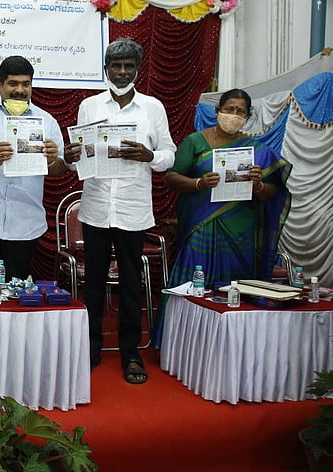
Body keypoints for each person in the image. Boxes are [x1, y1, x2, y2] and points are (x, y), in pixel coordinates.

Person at [63, 38, 175, 385]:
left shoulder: (152, 108)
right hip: (96, 207)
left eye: (129, 66)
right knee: (94, 283)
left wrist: (149, 156)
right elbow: (79, 158)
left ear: (137, 69)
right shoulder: (89, 106)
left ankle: (131, 353)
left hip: (132, 209)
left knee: (130, 283)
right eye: (116, 65)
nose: (122, 71)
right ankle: (91, 348)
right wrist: (70, 157)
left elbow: (169, 154)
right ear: (106, 69)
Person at [164, 88, 291, 290]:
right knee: (194, 284)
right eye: (229, 109)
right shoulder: (195, 142)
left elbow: (274, 193)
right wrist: (199, 183)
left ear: (247, 117)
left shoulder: (256, 150)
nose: (234, 115)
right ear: (218, 110)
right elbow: (171, 178)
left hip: (240, 228)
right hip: (200, 224)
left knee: (235, 288)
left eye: (241, 111)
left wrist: (258, 185)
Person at [0, 56, 66, 279]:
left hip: (24, 223)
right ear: (0, 85)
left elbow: (60, 169)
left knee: (15, 293)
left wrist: (52, 159)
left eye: (26, 84)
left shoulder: (46, 121)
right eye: (13, 83)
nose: (20, 90)